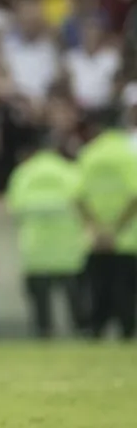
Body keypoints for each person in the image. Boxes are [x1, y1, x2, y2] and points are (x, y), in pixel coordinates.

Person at [5, 146, 89, 337]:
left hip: (36, 252)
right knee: (76, 301)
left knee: (41, 305)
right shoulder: (70, 172)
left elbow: (14, 208)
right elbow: (83, 204)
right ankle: (82, 331)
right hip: (69, 252)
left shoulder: (24, 174)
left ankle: (44, 333)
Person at [76, 129, 137, 339]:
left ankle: (96, 331)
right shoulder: (128, 156)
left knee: (98, 290)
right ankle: (127, 332)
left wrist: (97, 229)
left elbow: (78, 197)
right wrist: (115, 230)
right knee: (125, 291)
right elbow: (134, 196)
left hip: (96, 241)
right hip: (127, 240)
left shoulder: (88, 155)